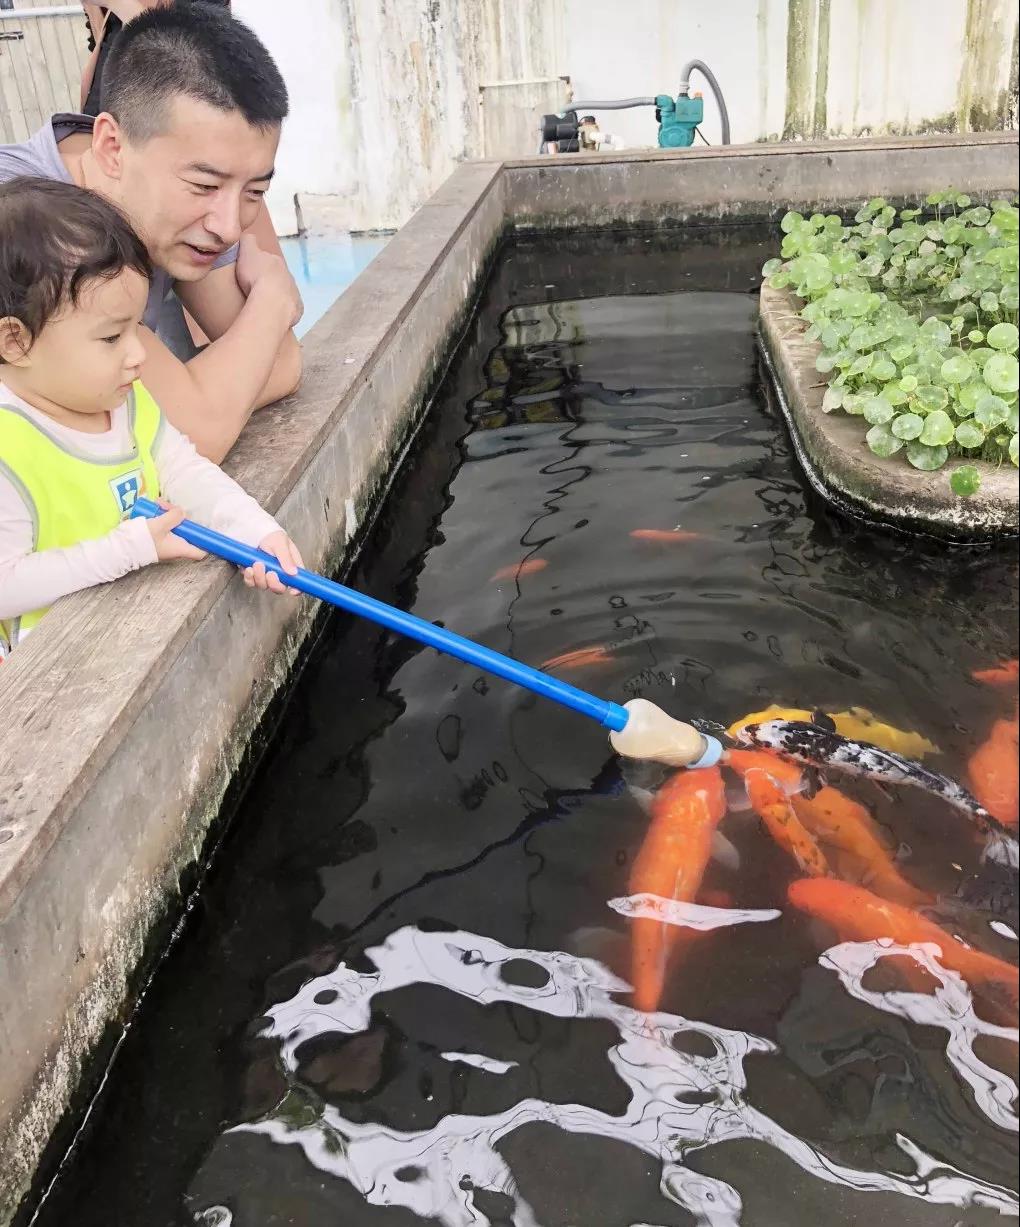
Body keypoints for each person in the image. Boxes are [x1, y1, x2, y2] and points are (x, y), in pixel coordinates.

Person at [0, 178, 304, 660]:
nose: (140, 354)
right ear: (15, 342)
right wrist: (128, 549)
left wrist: (255, 531)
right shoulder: (9, 448)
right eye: (110, 338)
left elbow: (184, 471)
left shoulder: (123, 400)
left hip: (124, 643)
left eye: (136, 327)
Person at [0, 1, 302, 464]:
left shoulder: (177, 198)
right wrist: (273, 299)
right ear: (111, 146)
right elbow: (195, 433)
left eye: (255, 190)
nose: (227, 227)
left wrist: (214, 387)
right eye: (204, 184)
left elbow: (282, 364)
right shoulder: (30, 225)